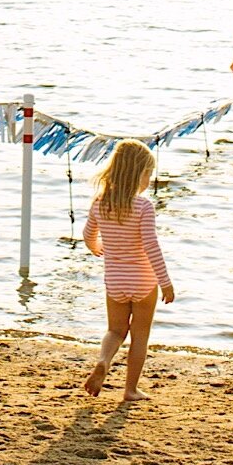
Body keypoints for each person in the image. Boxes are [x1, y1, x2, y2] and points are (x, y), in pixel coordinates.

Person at [81, 139, 175, 402]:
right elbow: (151, 245)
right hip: (143, 281)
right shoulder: (143, 206)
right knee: (139, 336)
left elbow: (88, 234)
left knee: (115, 330)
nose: (149, 180)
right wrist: (165, 282)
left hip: (115, 281)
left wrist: (95, 247)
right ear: (138, 174)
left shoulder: (100, 203)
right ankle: (130, 390)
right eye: (148, 174)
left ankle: (103, 360)